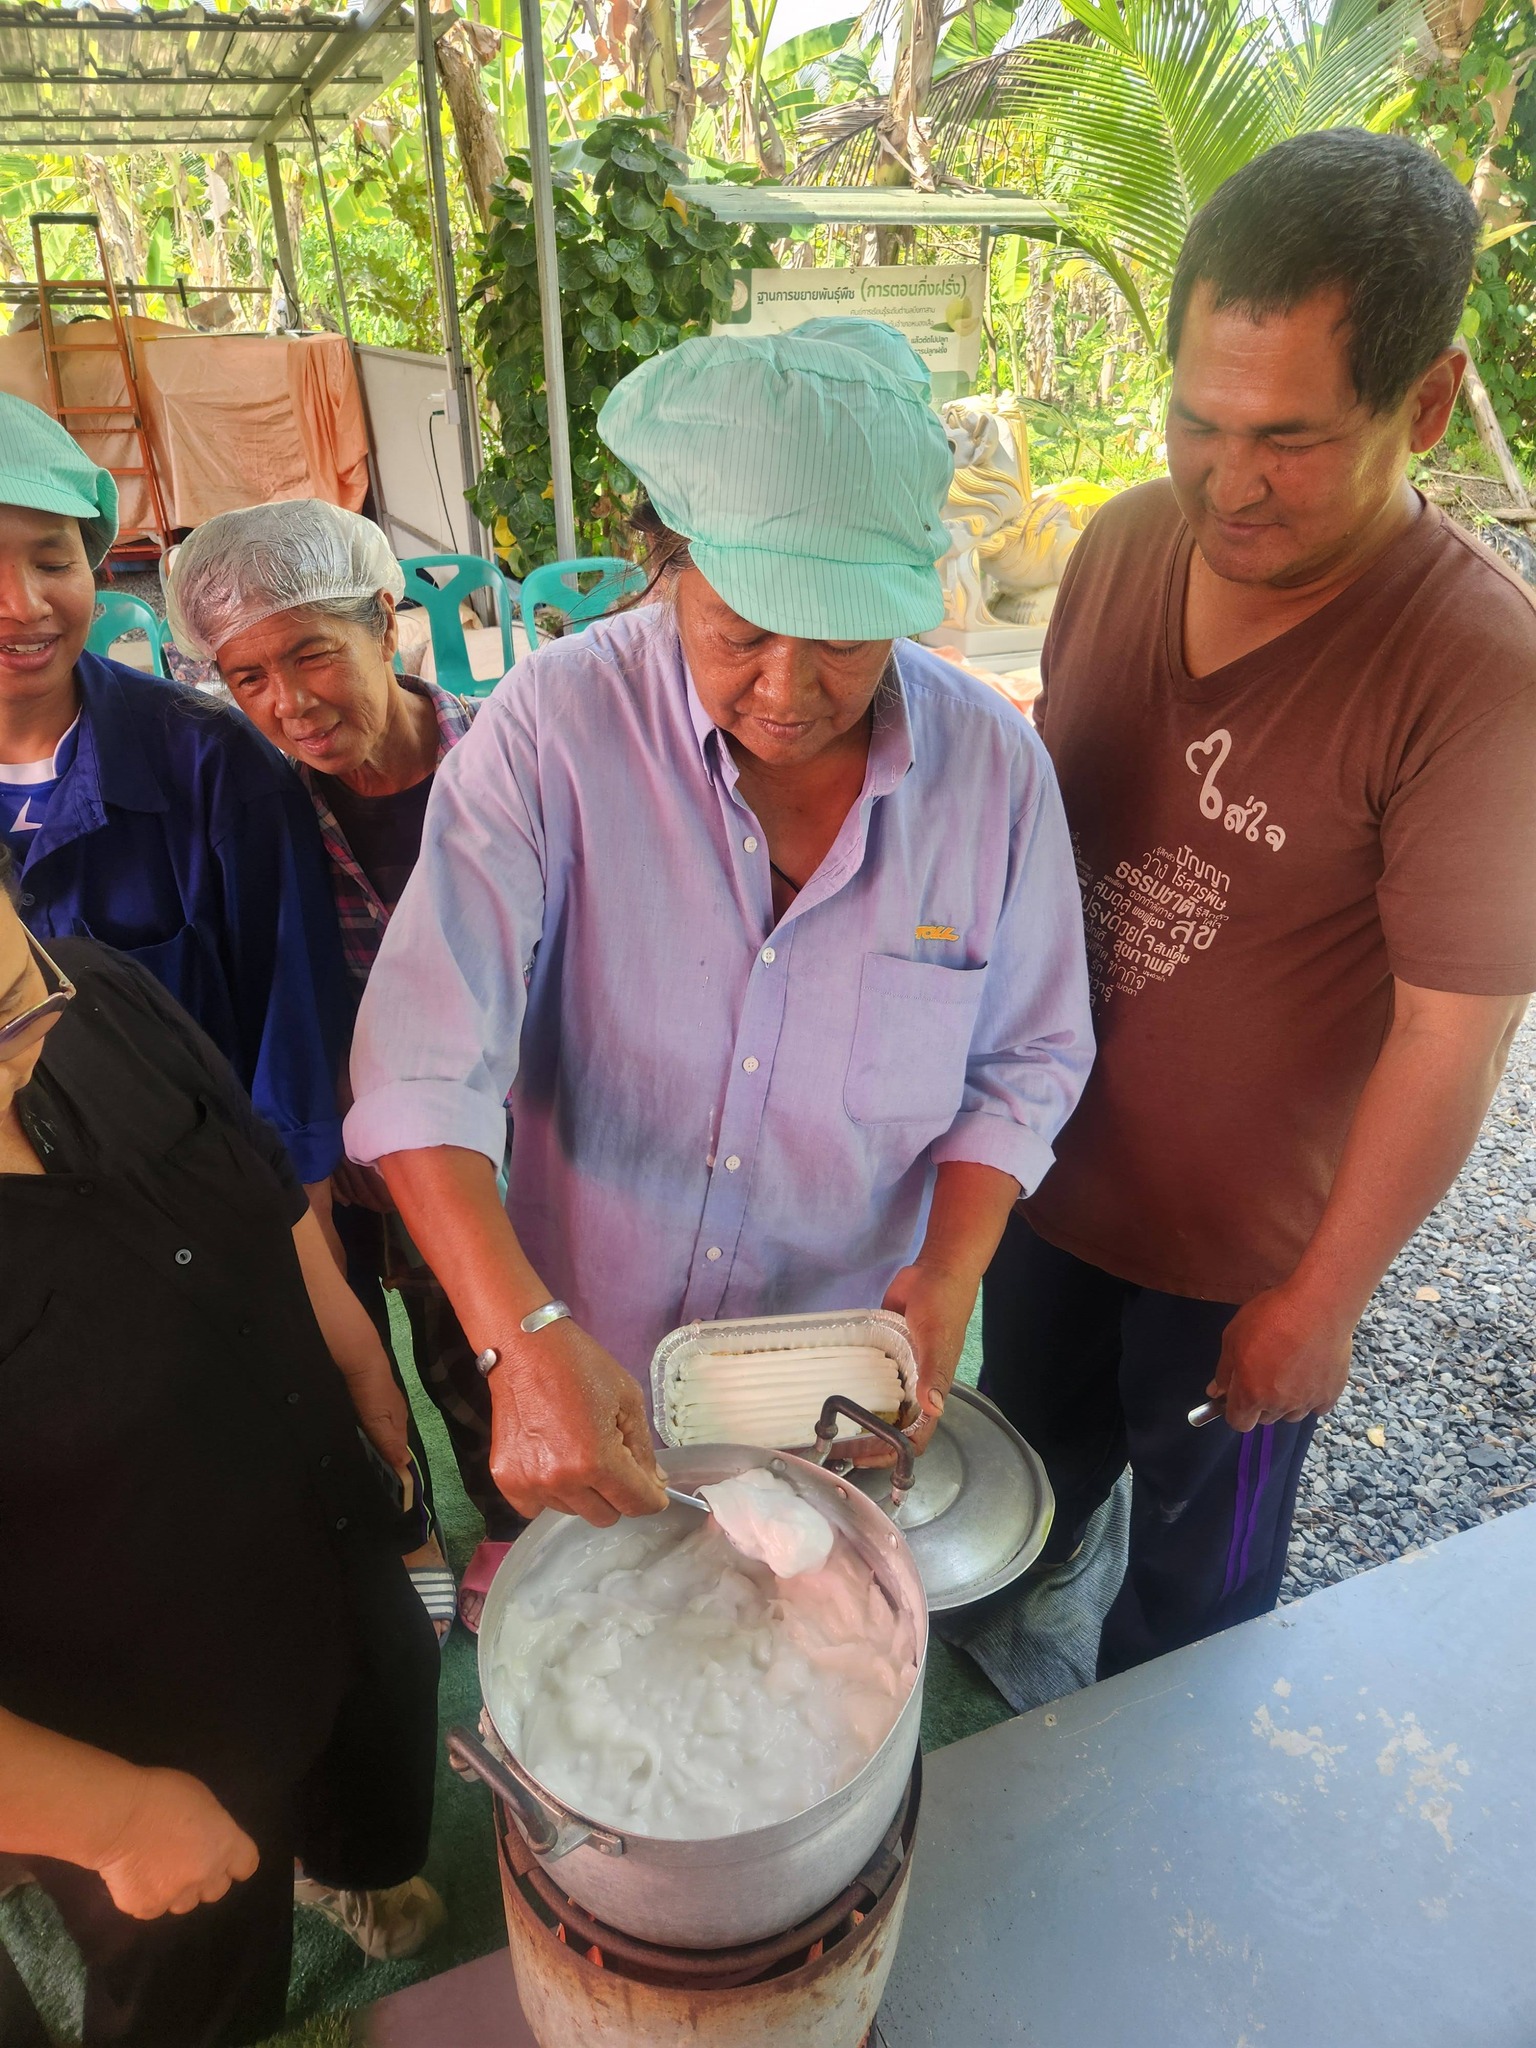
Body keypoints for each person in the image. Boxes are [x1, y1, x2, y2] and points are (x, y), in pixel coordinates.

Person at [344, 320, 1095, 1528]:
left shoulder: (995, 772)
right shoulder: (554, 726)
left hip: (832, 1381)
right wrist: (521, 1339)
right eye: (739, 631)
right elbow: (422, 1064)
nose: (787, 691)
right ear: (667, 568)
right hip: (586, 1345)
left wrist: (952, 1268)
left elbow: (1027, 1058)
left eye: (845, 639)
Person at [979, 129, 1536, 1680]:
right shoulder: (1122, 544)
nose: (1230, 482)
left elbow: (1454, 1040)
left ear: (1425, 403)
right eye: (1195, 422)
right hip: (1034, 1178)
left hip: (1243, 1258)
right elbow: (1037, 810)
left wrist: (1325, 1296)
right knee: (1020, 1489)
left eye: (1289, 437)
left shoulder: (1477, 672)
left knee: (1199, 1612)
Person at [0, 847, 443, 2048]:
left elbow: (249, 1166)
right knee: (199, 1964)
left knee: (386, 1698)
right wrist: (113, 1821)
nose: (16, 1066)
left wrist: (356, 1352)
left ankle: (349, 1864)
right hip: (137, 1710)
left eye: (7, 1005)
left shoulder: (89, 992)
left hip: (318, 1524)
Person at [163, 502, 508, 1630]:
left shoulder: (505, 771)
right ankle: (403, 1534)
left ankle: (520, 1544)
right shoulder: (245, 808)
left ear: (384, 618)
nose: (289, 702)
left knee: (489, 1363)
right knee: (341, 1373)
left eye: (313, 652)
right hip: (321, 1177)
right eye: (247, 676)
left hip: (483, 1156)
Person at [0, 392, 349, 1211]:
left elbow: (293, 1029)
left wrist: (307, 1228)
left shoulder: (211, 766)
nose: (23, 604)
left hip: (218, 1212)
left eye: (53, 562)